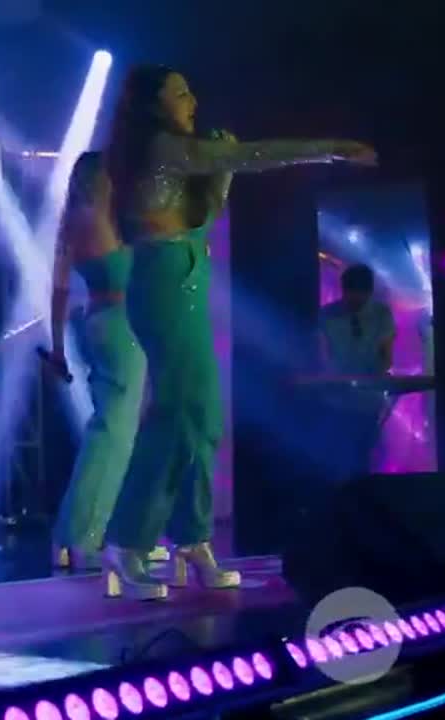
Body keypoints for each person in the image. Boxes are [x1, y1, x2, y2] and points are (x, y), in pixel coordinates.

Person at [101, 64, 377, 599]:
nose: (192, 100)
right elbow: (254, 155)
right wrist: (330, 149)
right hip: (164, 280)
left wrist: (222, 169)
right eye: (179, 93)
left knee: (204, 417)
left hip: (187, 275)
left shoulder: (178, 154)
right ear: (153, 105)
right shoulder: (162, 147)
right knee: (176, 414)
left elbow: (207, 209)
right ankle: (127, 541)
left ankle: (192, 538)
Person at [45, 152, 148, 573]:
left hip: (94, 323)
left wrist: (57, 348)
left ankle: (83, 535)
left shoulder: (70, 224)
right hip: (121, 324)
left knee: (108, 430)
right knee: (114, 436)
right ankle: (84, 537)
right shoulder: (112, 218)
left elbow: (57, 293)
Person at [317, 263, 397, 480]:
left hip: (368, 401)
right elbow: (322, 355)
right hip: (337, 401)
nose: (357, 301)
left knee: (365, 455)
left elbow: (386, 355)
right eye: (352, 295)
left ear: (370, 292)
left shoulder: (381, 314)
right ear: (344, 291)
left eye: (362, 296)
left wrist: (374, 376)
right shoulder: (326, 316)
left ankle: (363, 490)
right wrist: (335, 377)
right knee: (337, 456)